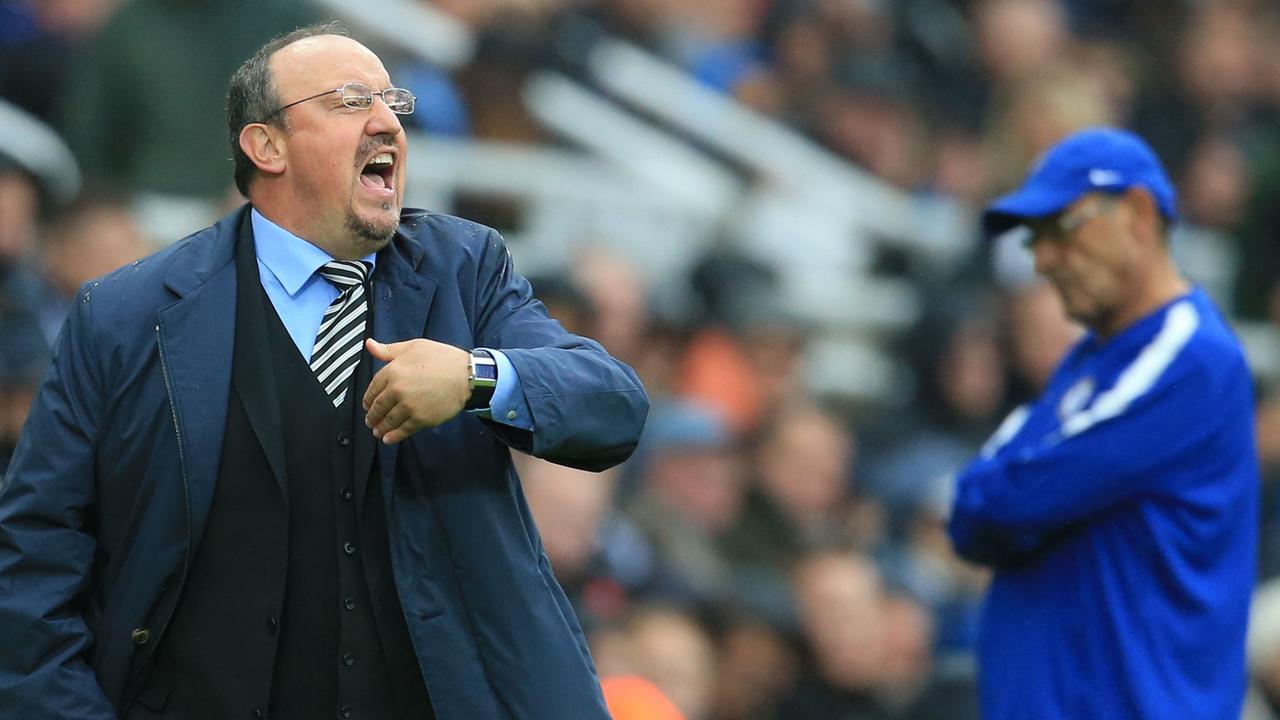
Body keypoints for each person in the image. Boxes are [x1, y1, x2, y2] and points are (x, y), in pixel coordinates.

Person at [0, 24, 648, 720]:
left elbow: (611, 408)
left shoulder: (465, 269)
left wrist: (476, 379)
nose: (387, 122)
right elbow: (35, 558)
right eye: (349, 101)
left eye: (392, 103)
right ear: (266, 145)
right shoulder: (124, 315)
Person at [947, 127, 1257, 719]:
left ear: (1138, 212)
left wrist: (1013, 507)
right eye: (1034, 239)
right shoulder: (1089, 362)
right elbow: (971, 518)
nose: (1042, 260)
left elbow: (1005, 499)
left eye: (1062, 228)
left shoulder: (1191, 360)